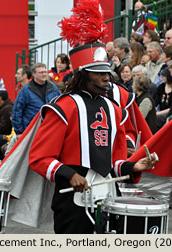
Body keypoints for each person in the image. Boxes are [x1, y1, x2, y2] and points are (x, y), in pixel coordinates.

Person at [29, 1, 158, 234]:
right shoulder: (63, 107)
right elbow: (39, 158)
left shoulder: (115, 109)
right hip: (72, 201)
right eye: (98, 73)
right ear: (82, 76)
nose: (106, 78)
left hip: (108, 197)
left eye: (106, 72)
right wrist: (69, 174)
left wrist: (134, 166)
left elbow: (115, 161)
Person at [11, 62, 60, 135]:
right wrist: (19, 132)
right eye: (41, 72)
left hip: (50, 128)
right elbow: (17, 111)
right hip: (32, 130)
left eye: (45, 72)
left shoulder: (53, 89)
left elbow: (60, 106)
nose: (44, 74)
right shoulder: (25, 91)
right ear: (34, 74)